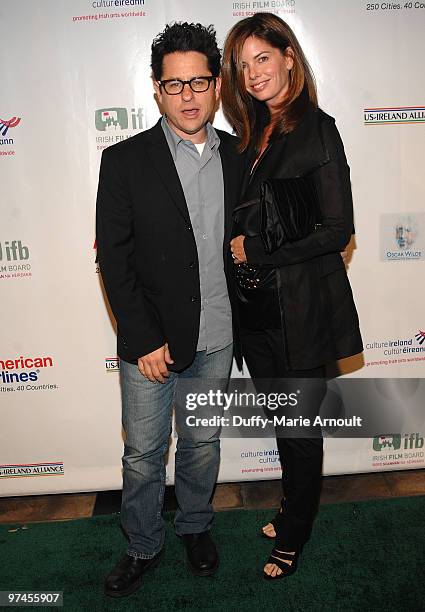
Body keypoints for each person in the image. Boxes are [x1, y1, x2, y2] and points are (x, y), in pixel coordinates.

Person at [96, 22, 242, 598]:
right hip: (150, 344)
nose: (188, 95)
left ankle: (196, 527)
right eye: (174, 84)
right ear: (157, 90)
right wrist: (142, 337)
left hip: (219, 334)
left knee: (203, 445)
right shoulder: (125, 161)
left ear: (217, 85)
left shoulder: (241, 155)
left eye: (199, 81)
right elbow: (115, 257)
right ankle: (141, 544)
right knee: (143, 454)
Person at [221, 13, 363, 579]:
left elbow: (337, 229)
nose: (254, 73)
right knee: (284, 423)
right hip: (257, 314)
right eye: (243, 64)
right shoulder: (257, 133)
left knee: (301, 430)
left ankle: (296, 533)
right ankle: (290, 506)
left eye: (263, 57)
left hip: (300, 313)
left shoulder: (316, 129)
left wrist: (259, 253)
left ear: (288, 57)